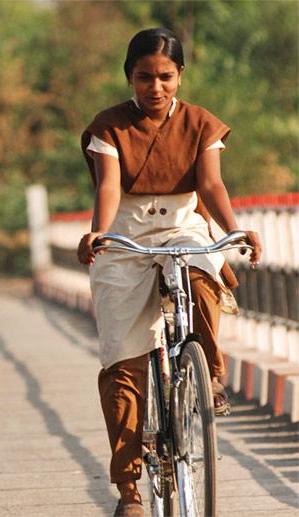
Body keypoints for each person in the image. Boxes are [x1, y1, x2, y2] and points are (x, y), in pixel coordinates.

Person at [77, 28, 261, 517]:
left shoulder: (201, 124)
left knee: (203, 273)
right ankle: (129, 490)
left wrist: (234, 229)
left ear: (180, 76)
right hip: (125, 236)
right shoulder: (109, 126)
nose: (154, 87)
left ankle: (209, 376)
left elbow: (211, 183)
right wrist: (99, 232)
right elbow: (109, 187)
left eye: (164, 77)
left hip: (182, 226)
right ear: (129, 77)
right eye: (143, 77)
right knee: (122, 361)